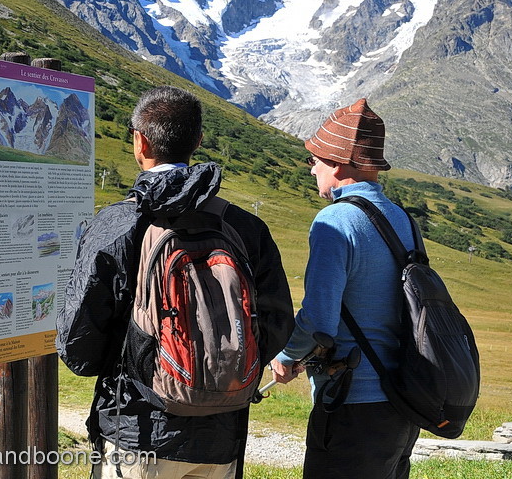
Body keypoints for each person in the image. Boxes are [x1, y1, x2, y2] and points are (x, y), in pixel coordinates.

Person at [57, 86, 294, 479]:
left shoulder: (116, 224)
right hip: (223, 435)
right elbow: (278, 322)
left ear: (140, 140)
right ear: (197, 141)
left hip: (137, 428)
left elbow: (78, 347)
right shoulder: (244, 226)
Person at [269, 98, 420, 479]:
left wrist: (286, 357)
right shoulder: (404, 220)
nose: (312, 169)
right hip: (403, 400)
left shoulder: (335, 220)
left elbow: (319, 318)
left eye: (314, 160)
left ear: (336, 163)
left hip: (352, 403)